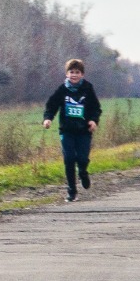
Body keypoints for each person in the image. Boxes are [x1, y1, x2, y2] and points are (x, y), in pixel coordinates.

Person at [42, 59, 102, 202]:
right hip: (67, 131)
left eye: (77, 72)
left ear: (82, 74)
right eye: (71, 72)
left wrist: (93, 120)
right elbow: (52, 105)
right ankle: (71, 191)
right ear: (67, 74)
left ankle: (83, 172)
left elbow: (96, 108)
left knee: (82, 159)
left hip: (84, 131)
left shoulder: (87, 88)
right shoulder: (62, 89)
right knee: (69, 159)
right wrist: (48, 118)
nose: (74, 75)